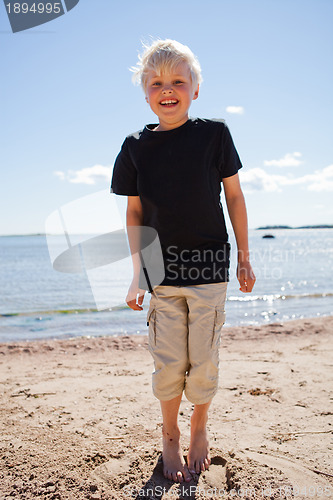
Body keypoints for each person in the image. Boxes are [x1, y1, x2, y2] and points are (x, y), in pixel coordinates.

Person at [111, 39, 256, 483]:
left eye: (178, 80)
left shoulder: (214, 135)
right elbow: (135, 212)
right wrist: (137, 275)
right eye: (156, 82)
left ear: (195, 88)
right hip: (161, 273)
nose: (167, 88)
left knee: (204, 361)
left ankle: (199, 429)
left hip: (209, 268)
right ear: (145, 91)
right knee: (169, 362)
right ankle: (170, 434)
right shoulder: (135, 146)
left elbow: (233, 195)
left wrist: (245, 257)